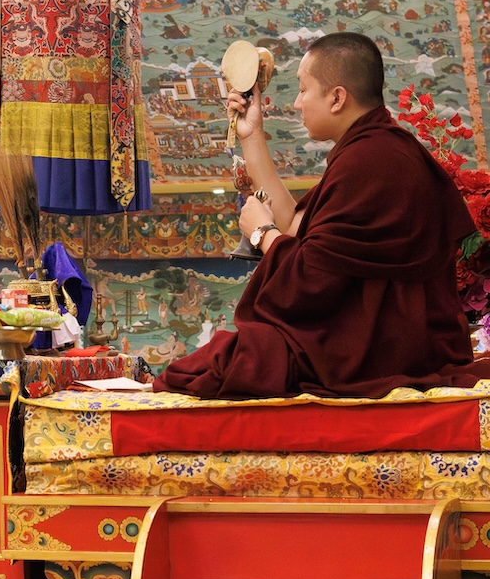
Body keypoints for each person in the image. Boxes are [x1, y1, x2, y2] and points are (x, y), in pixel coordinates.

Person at [155, 33, 490, 398]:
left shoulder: (373, 161)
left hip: (372, 353)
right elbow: (298, 228)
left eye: (303, 90)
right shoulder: (371, 151)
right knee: (217, 362)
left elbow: (309, 279)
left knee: (216, 366)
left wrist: (262, 233)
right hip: (368, 343)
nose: (297, 103)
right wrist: (252, 136)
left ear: (337, 98)